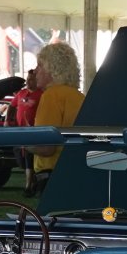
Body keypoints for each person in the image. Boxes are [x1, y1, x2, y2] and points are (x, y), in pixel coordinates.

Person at [26, 41, 85, 195]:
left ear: (53, 69)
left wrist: (22, 143)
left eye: (40, 66)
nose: (35, 71)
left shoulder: (51, 95)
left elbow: (46, 148)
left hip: (52, 173)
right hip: (75, 170)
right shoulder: (78, 96)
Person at [8, 68, 42, 195]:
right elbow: (11, 106)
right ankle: (32, 183)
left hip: (34, 132)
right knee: (22, 159)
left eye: (31, 79)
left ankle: (28, 186)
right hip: (20, 132)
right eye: (27, 79)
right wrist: (7, 120)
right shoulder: (21, 94)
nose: (28, 82)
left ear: (37, 80)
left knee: (29, 157)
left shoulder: (41, 94)